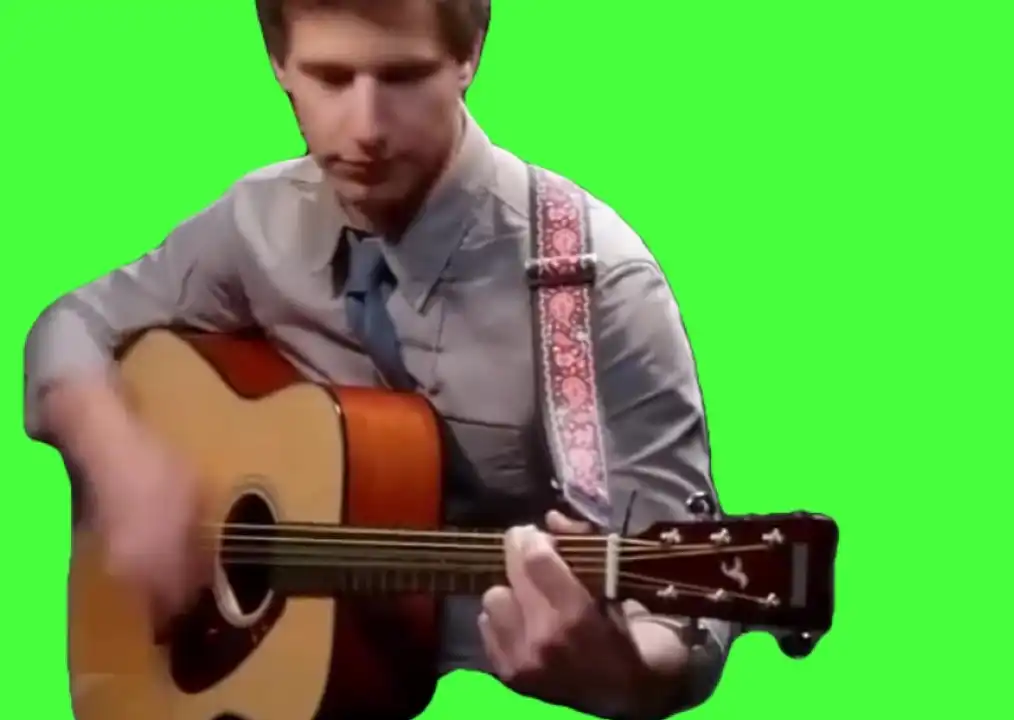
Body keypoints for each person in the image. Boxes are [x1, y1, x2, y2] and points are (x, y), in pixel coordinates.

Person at [22, 0, 733, 718]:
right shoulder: (256, 224)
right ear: (279, 63)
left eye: (404, 76)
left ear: (468, 57)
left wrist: (630, 676)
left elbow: (692, 609)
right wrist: (118, 460)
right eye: (330, 78)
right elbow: (71, 323)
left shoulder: (597, 282)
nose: (365, 128)